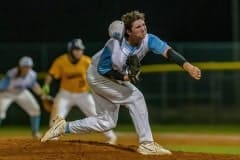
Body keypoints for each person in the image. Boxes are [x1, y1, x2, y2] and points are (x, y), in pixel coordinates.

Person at [41, 11, 201, 155]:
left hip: (108, 77)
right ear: (129, 31)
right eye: (138, 26)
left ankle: (63, 127)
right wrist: (125, 78)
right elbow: (104, 70)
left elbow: (169, 52)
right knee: (135, 97)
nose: (143, 28)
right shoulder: (114, 47)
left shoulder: (149, 39)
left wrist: (188, 66)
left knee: (107, 122)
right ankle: (146, 143)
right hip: (99, 76)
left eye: (144, 24)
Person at [41, 39, 117, 144]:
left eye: (81, 49)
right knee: (56, 115)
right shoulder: (61, 61)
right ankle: (53, 139)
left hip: (83, 94)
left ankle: (111, 136)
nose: (79, 52)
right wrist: (46, 85)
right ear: (70, 50)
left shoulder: (87, 61)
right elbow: (51, 75)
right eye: (76, 49)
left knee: (96, 114)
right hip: (65, 94)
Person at [0, 56, 45, 139]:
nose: (27, 69)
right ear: (20, 66)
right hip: (7, 94)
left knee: (35, 109)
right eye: (25, 66)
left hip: (21, 92)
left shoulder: (32, 74)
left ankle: (35, 132)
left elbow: (34, 85)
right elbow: (2, 85)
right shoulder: (12, 73)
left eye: (29, 67)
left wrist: (42, 95)